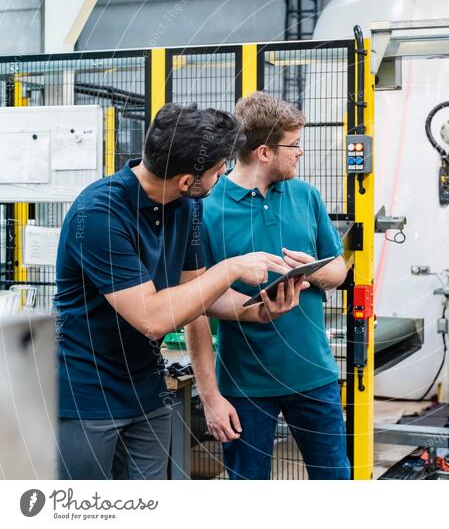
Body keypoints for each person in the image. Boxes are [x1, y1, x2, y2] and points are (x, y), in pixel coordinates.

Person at [55, 103, 305, 480]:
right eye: (221, 170)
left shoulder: (186, 207)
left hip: (148, 394)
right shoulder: (100, 215)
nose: (224, 177)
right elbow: (153, 319)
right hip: (87, 401)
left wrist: (257, 309)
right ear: (188, 179)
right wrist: (231, 267)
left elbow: (197, 299)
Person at [186, 92, 350, 480]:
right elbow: (196, 308)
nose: (300, 152)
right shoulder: (206, 211)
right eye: (293, 145)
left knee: (335, 481)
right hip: (244, 386)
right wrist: (210, 398)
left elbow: (339, 270)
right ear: (263, 152)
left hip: (314, 375)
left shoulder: (306, 196)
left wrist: (311, 272)